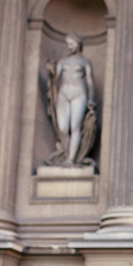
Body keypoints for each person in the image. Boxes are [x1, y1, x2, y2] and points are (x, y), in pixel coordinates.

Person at [45, 32, 97, 167]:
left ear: (78, 44)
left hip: (79, 93)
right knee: (62, 128)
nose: (69, 47)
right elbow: (55, 78)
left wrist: (91, 99)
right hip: (63, 93)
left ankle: (71, 159)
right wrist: (51, 71)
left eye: (72, 44)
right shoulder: (63, 61)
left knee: (75, 126)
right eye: (68, 44)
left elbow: (90, 82)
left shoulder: (85, 62)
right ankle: (67, 155)